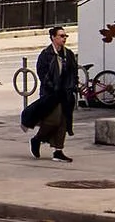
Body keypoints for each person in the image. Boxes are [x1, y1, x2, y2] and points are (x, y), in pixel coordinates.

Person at [23, 24, 79, 160]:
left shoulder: (69, 54)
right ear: (53, 37)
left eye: (65, 36)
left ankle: (58, 151)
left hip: (65, 93)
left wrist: (73, 86)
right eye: (61, 36)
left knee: (63, 121)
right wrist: (52, 87)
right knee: (53, 120)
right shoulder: (46, 55)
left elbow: (73, 72)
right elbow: (42, 73)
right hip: (51, 93)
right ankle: (37, 139)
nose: (64, 38)